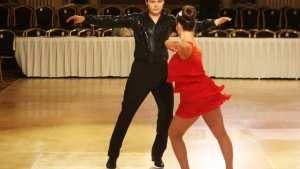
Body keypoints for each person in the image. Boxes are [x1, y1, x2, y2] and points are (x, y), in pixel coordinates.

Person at [66, 1, 231, 168]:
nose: (156, 4)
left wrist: (213, 22)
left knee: (166, 116)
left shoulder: (169, 20)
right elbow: (113, 20)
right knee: (126, 114)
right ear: (146, 2)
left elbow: (191, 25)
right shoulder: (136, 19)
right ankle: (113, 155)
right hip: (140, 72)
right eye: (152, 1)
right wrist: (86, 18)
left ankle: (157, 155)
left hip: (162, 72)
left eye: (159, 1)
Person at [165, 5, 233, 169]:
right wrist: (169, 42)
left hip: (193, 99)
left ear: (178, 25)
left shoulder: (187, 45)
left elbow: (185, 49)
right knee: (221, 133)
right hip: (206, 93)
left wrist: (175, 45)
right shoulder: (194, 43)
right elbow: (182, 47)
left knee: (174, 134)